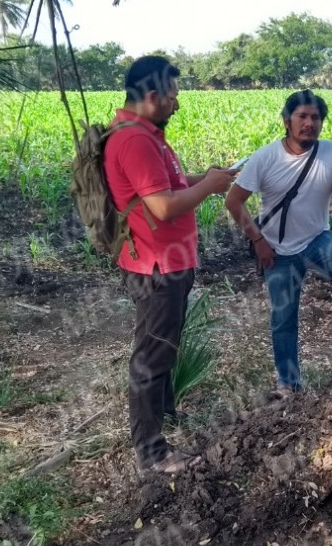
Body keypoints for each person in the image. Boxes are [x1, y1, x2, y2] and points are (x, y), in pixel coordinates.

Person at [104, 55, 236, 474]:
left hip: (165, 264)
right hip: (158, 268)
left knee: (161, 348)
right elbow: (162, 207)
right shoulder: (135, 141)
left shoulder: (147, 135)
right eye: (174, 96)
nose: (178, 104)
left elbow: (168, 187)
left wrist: (205, 179)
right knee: (152, 356)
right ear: (154, 96)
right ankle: (152, 452)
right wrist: (212, 187)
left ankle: (163, 417)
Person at [225, 89, 332, 397]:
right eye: (302, 117)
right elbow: (233, 201)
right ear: (287, 121)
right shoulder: (266, 157)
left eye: (316, 118)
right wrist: (258, 240)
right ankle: (289, 383)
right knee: (284, 318)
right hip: (276, 250)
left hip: (317, 240)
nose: (309, 123)